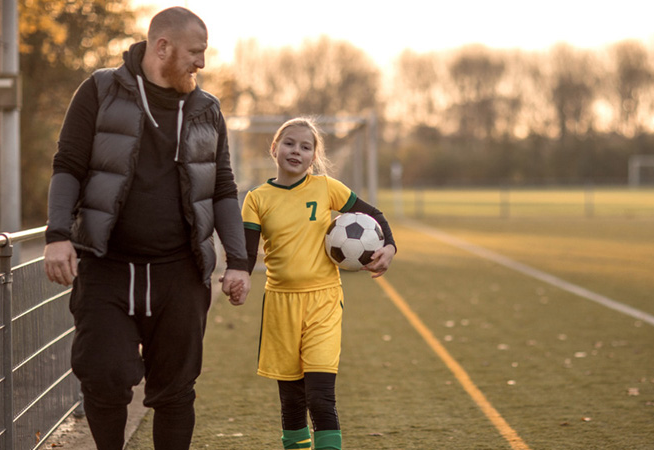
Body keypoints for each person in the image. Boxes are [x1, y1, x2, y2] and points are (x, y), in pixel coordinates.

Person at [43, 7, 250, 450]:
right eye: (195, 52)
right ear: (162, 47)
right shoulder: (100, 90)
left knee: (176, 390)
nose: (202, 63)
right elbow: (68, 165)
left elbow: (224, 189)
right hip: (106, 268)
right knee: (104, 376)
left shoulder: (207, 109)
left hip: (179, 273)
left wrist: (239, 261)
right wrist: (57, 234)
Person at [240, 118, 396, 450]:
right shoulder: (256, 199)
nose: (296, 151)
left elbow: (376, 217)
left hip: (323, 301)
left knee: (320, 397)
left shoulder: (326, 188)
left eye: (306, 147)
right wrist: (238, 277)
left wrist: (389, 247)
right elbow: (246, 254)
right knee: (292, 403)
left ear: (313, 157)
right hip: (280, 305)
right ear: (274, 148)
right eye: (289, 143)